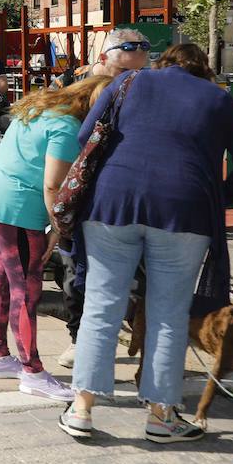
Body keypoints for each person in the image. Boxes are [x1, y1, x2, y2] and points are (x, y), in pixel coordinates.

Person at [59, 45, 233, 443]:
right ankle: (161, 416)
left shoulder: (128, 82)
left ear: (163, 64)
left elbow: (87, 137)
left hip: (112, 203)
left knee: (102, 305)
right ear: (203, 71)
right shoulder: (218, 98)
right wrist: (217, 195)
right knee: (169, 314)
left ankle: (82, 409)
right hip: (184, 210)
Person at [0, 76, 114, 402]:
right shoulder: (66, 128)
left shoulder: (42, 108)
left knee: (2, 282)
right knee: (26, 291)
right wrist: (57, 228)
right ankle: (32, 372)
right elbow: (53, 185)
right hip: (19, 211)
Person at [57, 27, 154, 369]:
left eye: (138, 73)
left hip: (121, 197)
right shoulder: (74, 93)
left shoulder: (138, 91)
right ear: (103, 59)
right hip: (80, 194)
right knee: (75, 272)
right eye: (124, 72)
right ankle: (79, 339)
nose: (131, 81)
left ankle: (124, 334)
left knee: (132, 274)